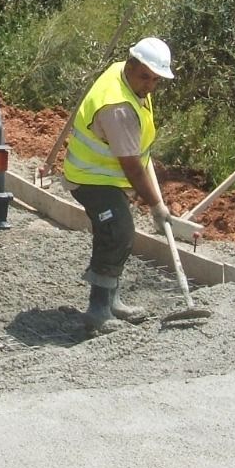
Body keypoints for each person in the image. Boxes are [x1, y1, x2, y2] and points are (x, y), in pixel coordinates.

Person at [60, 37, 178, 331]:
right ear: (131, 63)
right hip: (90, 177)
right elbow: (133, 169)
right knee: (117, 231)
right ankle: (98, 311)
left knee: (120, 231)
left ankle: (113, 301)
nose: (149, 86)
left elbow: (138, 154)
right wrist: (156, 205)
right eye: (145, 77)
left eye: (156, 80)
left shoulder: (125, 77)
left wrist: (156, 202)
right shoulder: (119, 107)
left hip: (106, 176)